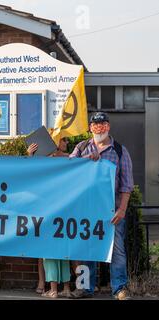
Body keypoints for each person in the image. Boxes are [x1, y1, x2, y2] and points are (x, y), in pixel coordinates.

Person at [68, 112, 134, 300]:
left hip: (112, 210)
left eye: (103, 124)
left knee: (117, 250)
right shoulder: (81, 147)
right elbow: (68, 168)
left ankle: (119, 289)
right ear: (90, 128)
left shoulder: (120, 150)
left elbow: (126, 184)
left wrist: (122, 209)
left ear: (109, 127)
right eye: (96, 124)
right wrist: (87, 159)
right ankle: (84, 288)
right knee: (84, 248)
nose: (99, 127)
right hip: (86, 209)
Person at [28, 137, 72, 298]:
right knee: (56, 250)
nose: (65, 143)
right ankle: (63, 288)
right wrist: (31, 156)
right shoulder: (49, 160)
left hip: (52, 210)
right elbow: (31, 174)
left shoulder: (67, 158)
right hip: (56, 210)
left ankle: (56, 289)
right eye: (63, 140)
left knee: (52, 250)